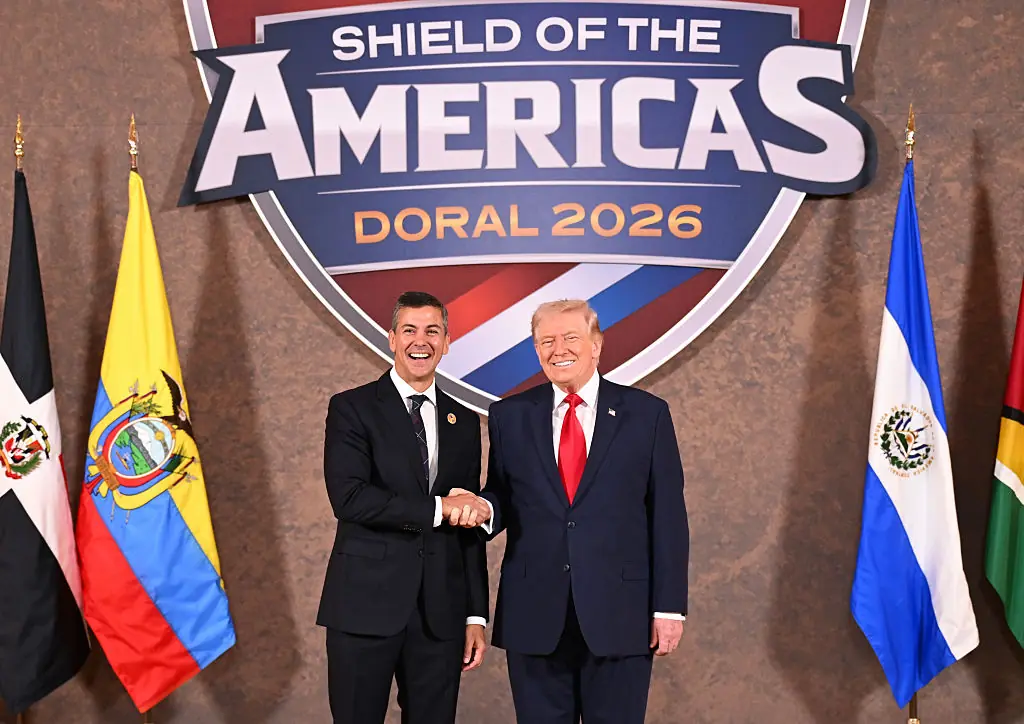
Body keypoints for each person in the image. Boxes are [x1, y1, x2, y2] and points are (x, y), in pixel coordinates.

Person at [454, 298, 689, 723]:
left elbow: (668, 517)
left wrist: (668, 608)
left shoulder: (647, 414)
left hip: (621, 615)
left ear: (596, 345)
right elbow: (504, 494)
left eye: (570, 338)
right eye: (546, 341)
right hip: (534, 613)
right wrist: (482, 507)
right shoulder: (509, 416)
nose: (557, 349)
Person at [317, 291, 489, 724]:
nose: (421, 340)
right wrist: (438, 509)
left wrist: (475, 614)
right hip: (363, 605)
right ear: (391, 339)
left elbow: (466, 521)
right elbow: (351, 498)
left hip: (441, 613)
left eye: (433, 331)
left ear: (448, 341)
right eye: (409, 330)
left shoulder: (464, 421)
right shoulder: (351, 408)